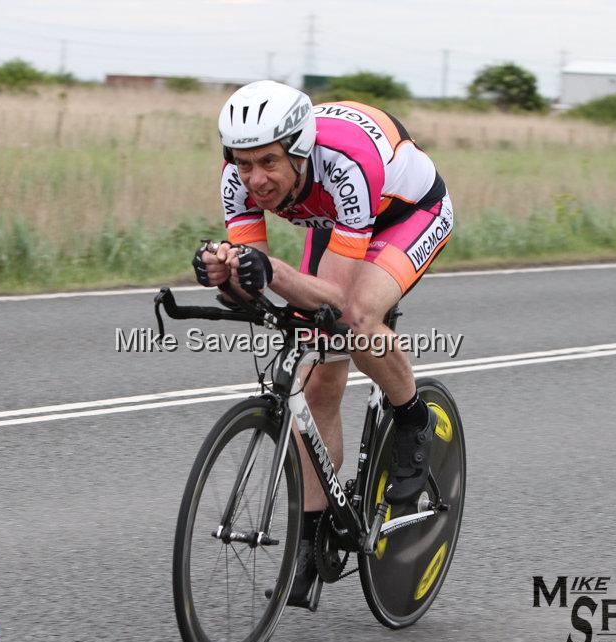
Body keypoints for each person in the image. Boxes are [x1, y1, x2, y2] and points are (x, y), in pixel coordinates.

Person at [192, 80, 454, 606]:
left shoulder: (345, 165)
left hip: (406, 212)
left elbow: (332, 295)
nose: (255, 179)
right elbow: (255, 282)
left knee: (355, 319)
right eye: (243, 164)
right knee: (317, 386)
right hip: (337, 222)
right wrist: (224, 275)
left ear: (300, 150)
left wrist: (271, 273)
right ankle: (314, 538)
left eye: (268, 162)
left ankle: (412, 419)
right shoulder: (237, 179)